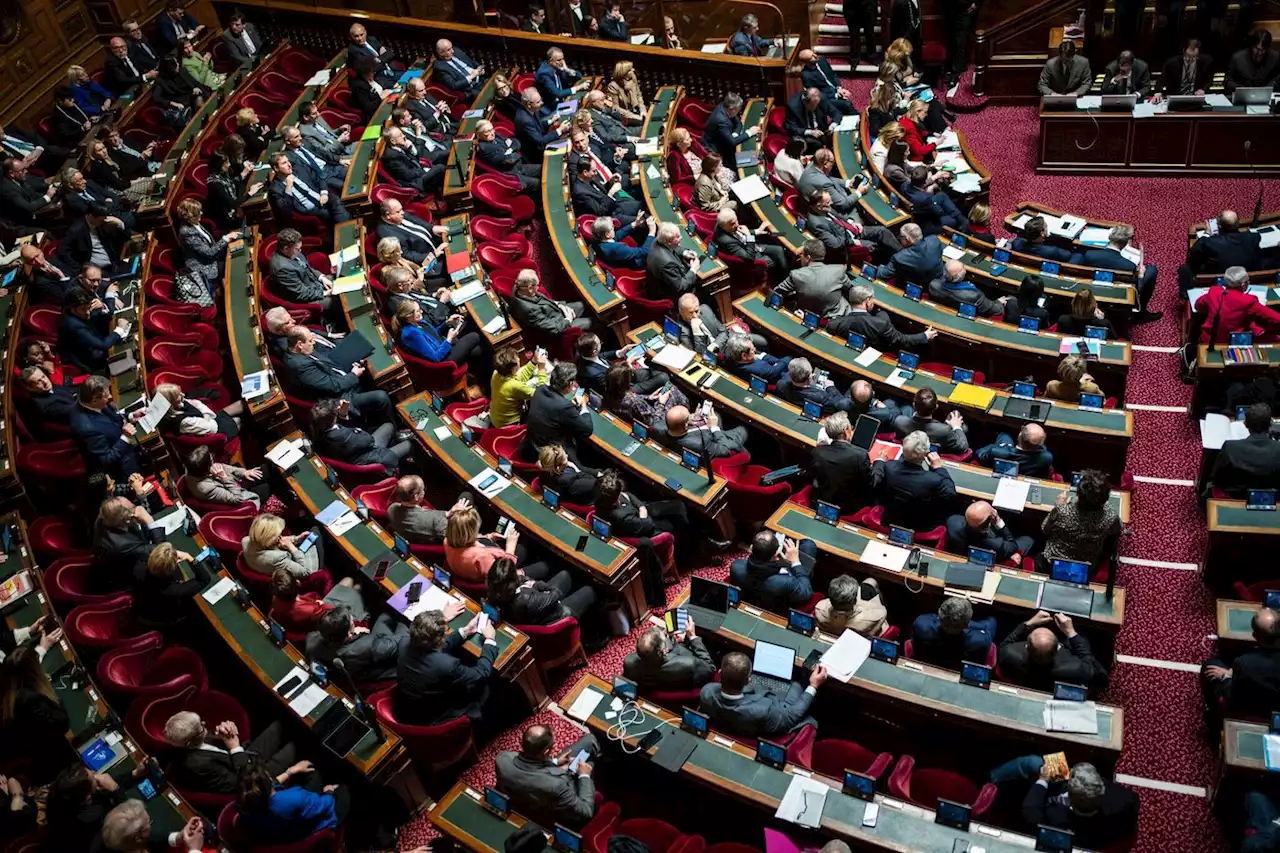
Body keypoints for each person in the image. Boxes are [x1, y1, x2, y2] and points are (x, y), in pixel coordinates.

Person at [396, 604, 499, 726]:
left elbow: (429, 649)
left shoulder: (404, 642)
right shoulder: (447, 665)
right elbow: (481, 673)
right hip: (437, 714)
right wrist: (490, 640)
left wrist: (465, 631)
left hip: (413, 704)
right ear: (439, 640)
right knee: (491, 685)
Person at [164, 710, 303, 798]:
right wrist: (235, 747)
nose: (205, 724)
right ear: (190, 742)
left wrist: (225, 734)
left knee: (281, 723)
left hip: (244, 756)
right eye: (202, 726)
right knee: (296, 746)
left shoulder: (190, 739)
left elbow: (215, 743)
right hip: (254, 777)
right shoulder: (200, 766)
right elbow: (244, 783)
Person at [699, 650, 827, 739]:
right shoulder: (763, 710)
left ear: (720, 673)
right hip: (774, 717)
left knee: (796, 684)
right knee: (799, 684)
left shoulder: (706, 692)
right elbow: (790, 718)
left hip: (737, 721)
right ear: (749, 680)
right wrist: (813, 686)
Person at [496, 725, 600, 827]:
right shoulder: (558, 785)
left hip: (539, 787)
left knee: (590, 740)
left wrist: (554, 762)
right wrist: (584, 775)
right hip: (554, 808)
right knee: (589, 762)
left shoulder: (503, 759)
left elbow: (529, 764)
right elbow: (586, 811)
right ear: (546, 752)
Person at [0, 643, 74, 782]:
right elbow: (63, 723)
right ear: (34, 671)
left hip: (25, 755)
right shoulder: (31, 701)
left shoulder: (7, 692)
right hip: (48, 764)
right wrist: (48, 692)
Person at [234, 759, 348, 846]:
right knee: (344, 791)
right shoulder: (295, 798)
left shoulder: (243, 803)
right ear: (269, 779)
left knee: (314, 774)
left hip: (278, 830)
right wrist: (329, 791)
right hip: (309, 828)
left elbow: (266, 787)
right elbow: (327, 805)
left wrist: (292, 770)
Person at [998, 611, 1109, 693]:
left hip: (1028, 680)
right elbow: (1088, 659)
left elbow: (1004, 644)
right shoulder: (1076, 670)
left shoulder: (1009, 655)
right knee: (1084, 636)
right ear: (1058, 648)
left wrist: (1029, 624)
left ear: (1026, 647)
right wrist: (1071, 632)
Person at [1072, 223, 1161, 322]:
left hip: (1090, 291)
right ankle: (1141, 313)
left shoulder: (1089, 255)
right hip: (1115, 295)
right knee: (1152, 270)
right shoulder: (1129, 266)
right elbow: (1136, 290)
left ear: (1110, 238)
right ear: (1125, 243)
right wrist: (1140, 275)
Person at [1203, 606, 1280, 719]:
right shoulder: (1246, 664)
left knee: (1210, 666)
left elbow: (1233, 695)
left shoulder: (1245, 664)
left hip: (1257, 710)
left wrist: (1226, 676)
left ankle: (1213, 717)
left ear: (1255, 636)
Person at [1039, 468, 1121, 571]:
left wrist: (1059, 504)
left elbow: (1044, 529)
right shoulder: (1111, 516)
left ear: (1078, 493)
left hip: (1054, 562)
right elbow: (1117, 530)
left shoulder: (1061, 511)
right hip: (1086, 566)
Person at [307, 606, 408, 686]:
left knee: (384, 616)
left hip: (359, 657)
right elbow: (399, 642)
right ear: (349, 631)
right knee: (403, 625)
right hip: (378, 667)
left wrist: (355, 636)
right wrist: (404, 620)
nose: (353, 620)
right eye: (352, 622)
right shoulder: (368, 645)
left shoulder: (311, 640)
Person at [312, 395, 412, 475]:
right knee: (410, 444)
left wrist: (343, 416)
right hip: (369, 458)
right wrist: (346, 418)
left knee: (389, 426)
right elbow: (369, 440)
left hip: (353, 453)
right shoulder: (345, 437)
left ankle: (396, 440)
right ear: (333, 417)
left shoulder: (317, 429)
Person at [881, 430, 957, 530]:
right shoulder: (933, 479)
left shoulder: (889, 466)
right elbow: (950, 493)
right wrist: (939, 468)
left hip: (890, 520)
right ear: (925, 454)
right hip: (919, 527)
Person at [805, 412, 882, 511]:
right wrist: (879, 461)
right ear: (846, 431)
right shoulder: (860, 456)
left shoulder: (817, 451)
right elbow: (872, 483)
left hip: (820, 501)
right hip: (848, 508)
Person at [445, 505, 541, 584]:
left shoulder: (448, 540)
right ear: (470, 533)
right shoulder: (482, 558)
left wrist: (488, 537)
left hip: (472, 567)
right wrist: (510, 547)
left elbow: (473, 541)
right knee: (545, 566)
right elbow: (503, 575)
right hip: (503, 575)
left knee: (524, 547)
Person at [486, 557, 597, 626]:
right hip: (554, 616)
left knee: (565, 574)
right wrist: (542, 588)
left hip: (536, 606)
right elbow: (556, 594)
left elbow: (525, 580)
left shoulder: (496, 591)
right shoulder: (525, 599)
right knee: (590, 590)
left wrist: (535, 584)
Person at [70, 375, 141, 480]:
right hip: (119, 466)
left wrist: (130, 416)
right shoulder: (86, 428)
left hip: (124, 446)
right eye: (107, 395)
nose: (110, 397)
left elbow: (113, 418)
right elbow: (106, 459)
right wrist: (125, 437)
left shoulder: (90, 402)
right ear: (94, 400)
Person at [521, 362, 593, 463]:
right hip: (550, 456)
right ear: (570, 383)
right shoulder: (564, 407)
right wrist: (584, 406)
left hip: (531, 446)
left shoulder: (540, 389)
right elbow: (588, 429)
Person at [829, 282, 936, 350]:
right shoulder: (881, 324)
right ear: (868, 301)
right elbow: (901, 340)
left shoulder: (835, 323)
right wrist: (925, 335)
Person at [729, 530, 817, 612]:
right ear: (775, 555)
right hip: (778, 602)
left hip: (757, 592)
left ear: (751, 548)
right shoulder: (787, 582)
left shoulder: (736, 566)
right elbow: (806, 594)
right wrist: (795, 562)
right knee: (809, 545)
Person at [268, 228, 342, 323]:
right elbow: (301, 294)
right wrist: (324, 293)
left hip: (313, 283)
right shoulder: (282, 268)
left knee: (340, 279)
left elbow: (307, 267)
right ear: (286, 248)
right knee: (338, 302)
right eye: (297, 249)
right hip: (306, 298)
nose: (300, 251)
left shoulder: (293, 252)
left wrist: (322, 278)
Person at [243, 512, 328, 593]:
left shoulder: (246, 540)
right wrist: (292, 547)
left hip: (273, 565)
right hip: (306, 570)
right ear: (268, 538)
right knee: (316, 530)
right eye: (277, 535)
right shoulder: (277, 558)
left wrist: (296, 538)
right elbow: (305, 572)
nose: (280, 537)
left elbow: (277, 541)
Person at [1208, 402, 1280, 496]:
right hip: (1273, 497)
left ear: (1245, 424)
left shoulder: (1230, 447)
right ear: (1270, 424)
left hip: (1235, 496)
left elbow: (1217, 478)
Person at [1196, 265, 1280, 344]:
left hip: (1208, 339)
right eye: (1248, 281)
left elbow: (1198, 305)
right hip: (1234, 341)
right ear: (1243, 285)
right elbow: (1275, 318)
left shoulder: (1214, 292)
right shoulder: (1248, 300)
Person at [132, 542, 210, 627]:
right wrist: (190, 558)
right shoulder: (174, 590)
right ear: (173, 567)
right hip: (161, 618)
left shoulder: (138, 566)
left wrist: (166, 555)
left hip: (142, 606)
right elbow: (204, 579)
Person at [595, 468, 690, 538]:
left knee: (678, 505)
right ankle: (685, 538)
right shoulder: (621, 517)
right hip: (645, 527)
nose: (622, 492)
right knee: (673, 522)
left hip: (641, 510)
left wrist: (641, 507)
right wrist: (643, 514)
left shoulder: (604, 496)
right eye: (620, 492)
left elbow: (628, 495)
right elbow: (647, 525)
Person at [624, 620, 716, 691]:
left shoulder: (629, 662)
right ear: (665, 650)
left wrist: (671, 638)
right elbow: (710, 669)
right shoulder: (689, 663)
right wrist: (692, 637)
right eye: (664, 636)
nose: (665, 634)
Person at [507, 268, 595, 340]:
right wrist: (568, 319)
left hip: (554, 311)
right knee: (592, 322)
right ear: (530, 288)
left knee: (583, 305)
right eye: (536, 286)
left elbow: (542, 300)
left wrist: (559, 304)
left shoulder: (519, 288)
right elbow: (554, 329)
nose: (537, 289)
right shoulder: (529, 310)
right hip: (559, 326)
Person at [266, 151, 351, 225]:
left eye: (288, 161)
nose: (289, 165)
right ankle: (345, 229)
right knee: (335, 212)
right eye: (284, 163)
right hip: (310, 210)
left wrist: (324, 193)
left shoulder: (298, 169)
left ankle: (344, 228)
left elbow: (319, 178)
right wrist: (288, 188)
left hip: (321, 197)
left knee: (336, 200)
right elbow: (285, 210)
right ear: (276, 168)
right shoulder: (275, 189)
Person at [910, 597, 998, 667]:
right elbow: (990, 626)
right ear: (967, 624)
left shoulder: (921, 626)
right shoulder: (980, 641)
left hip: (929, 662)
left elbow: (931, 617)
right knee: (992, 620)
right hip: (959, 670)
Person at [393, 300, 482, 370]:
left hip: (443, 346)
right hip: (444, 361)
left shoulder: (418, 322)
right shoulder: (411, 334)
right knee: (474, 336)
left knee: (477, 351)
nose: (422, 311)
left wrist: (447, 323)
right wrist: (449, 339)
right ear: (409, 317)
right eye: (418, 311)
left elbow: (432, 335)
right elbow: (436, 357)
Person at [774, 239, 851, 318]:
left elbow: (777, 292)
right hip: (840, 316)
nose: (800, 257)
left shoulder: (797, 275)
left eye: (802, 254)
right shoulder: (838, 270)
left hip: (808, 318)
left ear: (808, 257)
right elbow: (851, 290)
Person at [96, 799, 205, 853]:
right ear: (137, 838)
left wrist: (179, 836)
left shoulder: (128, 842)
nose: (151, 826)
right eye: (149, 824)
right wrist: (194, 849)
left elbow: (153, 839)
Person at [174, 197, 236, 292]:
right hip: (204, 267)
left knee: (234, 251)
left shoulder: (194, 223)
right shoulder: (187, 232)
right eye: (198, 212)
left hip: (211, 258)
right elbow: (209, 253)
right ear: (191, 216)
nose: (201, 213)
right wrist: (225, 238)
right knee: (233, 265)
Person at [946, 499, 1033, 564]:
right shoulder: (996, 544)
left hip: (963, 551)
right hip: (990, 558)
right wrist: (999, 522)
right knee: (1028, 539)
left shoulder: (952, 521)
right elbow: (1013, 546)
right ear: (990, 522)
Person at [1186, 210, 1263, 283]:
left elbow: (1192, 255)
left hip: (1217, 273)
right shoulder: (1254, 237)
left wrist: (1206, 234)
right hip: (1244, 271)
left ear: (1219, 226)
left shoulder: (1210, 242)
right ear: (1238, 223)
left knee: (1185, 269)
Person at [387, 476, 466, 544]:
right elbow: (457, 539)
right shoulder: (436, 520)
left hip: (414, 539)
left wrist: (448, 513)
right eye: (423, 489)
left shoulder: (391, 509)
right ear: (416, 497)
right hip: (438, 543)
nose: (424, 491)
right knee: (466, 495)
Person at [183, 445, 265, 508]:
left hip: (232, 483)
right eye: (211, 459)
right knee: (266, 486)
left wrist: (244, 472)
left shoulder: (194, 469)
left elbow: (223, 467)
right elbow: (238, 499)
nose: (213, 457)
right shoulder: (205, 488)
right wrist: (224, 477)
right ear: (207, 467)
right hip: (238, 494)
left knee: (265, 470)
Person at [714, 208, 788, 277]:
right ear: (723, 226)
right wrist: (749, 235)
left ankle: (786, 273)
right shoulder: (727, 241)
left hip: (751, 246)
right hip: (752, 258)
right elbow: (749, 257)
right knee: (776, 259)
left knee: (779, 249)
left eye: (736, 220)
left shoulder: (725, 225)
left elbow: (741, 232)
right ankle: (783, 279)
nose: (737, 224)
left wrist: (758, 231)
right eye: (733, 223)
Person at [491, 344, 551, 428]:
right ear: (513, 369)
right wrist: (541, 368)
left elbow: (519, 378)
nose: (519, 359)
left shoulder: (496, 373)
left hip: (496, 418)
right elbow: (542, 395)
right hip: (508, 424)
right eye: (517, 360)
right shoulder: (515, 386)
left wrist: (534, 361)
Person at [893, 387, 968, 454]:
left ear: (913, 405)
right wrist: (956, 427)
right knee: (963, 426)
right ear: (936, 407)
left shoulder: (899, 421)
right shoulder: (944, 430)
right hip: (936, 453)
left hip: (910, 452)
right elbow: (963, 447)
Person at [663, 403, 749, 460]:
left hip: (702, 432)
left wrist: (693, 418)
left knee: (716, 414)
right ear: (685, 425)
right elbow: (725, 450)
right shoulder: (700, 444)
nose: (691, 416)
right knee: (743, 429)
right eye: (689, 416)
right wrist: (714, 427)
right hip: (720, 441)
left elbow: (679, 425)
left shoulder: (660, 427)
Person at [475, 119, 540, 192]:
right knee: (539, 183)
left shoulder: (496, 136)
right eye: (487, 131)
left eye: (492, 129)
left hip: (519, 167)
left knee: (543, 168)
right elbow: (510, 160)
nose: (492, 133)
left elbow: (516, 142)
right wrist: (510, 150)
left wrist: (510, 150)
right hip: (513, 175)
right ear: (479, 134)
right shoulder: (485, 148)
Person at [381, 126, 445, 198]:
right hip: (415, 183)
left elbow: (415, 160)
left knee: (441, 169)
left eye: (402, 133)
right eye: (400, 135)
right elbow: (408, 175)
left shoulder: (399, 147)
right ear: (393, 141)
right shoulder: (391, 157)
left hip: (418, 174)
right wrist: (423, 170)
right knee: (440, 168)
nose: (404, 136)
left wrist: (410, 148)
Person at [815, 574, 888, 636]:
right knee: (871, 581)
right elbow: (883, 611)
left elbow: (825, 603)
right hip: (860, 628)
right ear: (855, 601)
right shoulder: (869, 619)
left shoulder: (819, 610)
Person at [929, 258, 1007, 316]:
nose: (965, 270)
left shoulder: (933, 285)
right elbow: (996, 310)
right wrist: (999, 302)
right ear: (961, 275)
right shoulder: (974, 295)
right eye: (963, 269)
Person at [875, 223, 945, 287]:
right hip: (939, 277)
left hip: (918, 285)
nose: (899, 238)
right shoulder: (934, 240)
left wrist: (879, 267)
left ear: (907, 239)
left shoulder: (900, 258)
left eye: (901, 236)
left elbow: (883, 274)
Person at [702, 93, 760, 167]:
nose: (738, 111)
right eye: (738, 109)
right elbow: (732, 142)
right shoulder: (720, 120)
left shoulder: (725, 107)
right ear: (731, 109)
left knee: (753, 156)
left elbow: (738, 123)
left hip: (724, 141)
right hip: (717, 150)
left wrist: (735, 134)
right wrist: (749, 133)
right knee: (750, 161)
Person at [975, 423, 1054, 478]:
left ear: (1020, 435)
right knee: (1005, 436)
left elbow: (979, 454)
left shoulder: (997, 452)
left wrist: (994, 446)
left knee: (1004, 436)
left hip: (1001, 471)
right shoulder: (1046, 458)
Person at [777, 357, 851, 414]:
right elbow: (841, 404)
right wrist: (831, 387)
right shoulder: (821, 397)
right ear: (809, 378)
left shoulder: (780, 385)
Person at [646, 222, 700, 300]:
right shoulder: (667, 263)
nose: (681, 237)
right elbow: (680, 287)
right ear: (669, 241)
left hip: (664, 282)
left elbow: (673, 247)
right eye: (677, 237)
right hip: (670, 295)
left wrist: (685, 253)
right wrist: (693, 269)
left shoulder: (658, 241)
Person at [152, 55, 208, 128]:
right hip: (180, 104)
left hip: (190, 96)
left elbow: (195, 82)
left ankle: (206, 120)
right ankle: (200, 125)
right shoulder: (160, 81)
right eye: (175, 64)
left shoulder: (182, 71)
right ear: (170, 68)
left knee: (200, 97)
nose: (178, 64)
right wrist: (173, 104)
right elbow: (156, 98)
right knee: (198, 101)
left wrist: (195, 88)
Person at [17, 365, 76, 432]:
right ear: (30, 388)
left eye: (43, 376)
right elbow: (73, 411)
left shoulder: (48, 387)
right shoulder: (43, 404)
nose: (44, 381)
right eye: (38, 381)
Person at [513, 88, 567, 161]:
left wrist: (550, 121)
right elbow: (540, 141)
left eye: (540, 100)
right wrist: (559, 130)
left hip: (541, 140)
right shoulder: (525, 120)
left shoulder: (532, 109)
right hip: (536, 153)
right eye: (538, 102)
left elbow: (537, 124)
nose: (542, 103)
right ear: (529, 104)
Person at [797, 49, 856, 114]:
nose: (815, 56)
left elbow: (832, 75)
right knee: (847, 105)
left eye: (813, 53)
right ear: (806, 62)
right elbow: (816, 94)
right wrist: (836, 95)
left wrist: (839, 88)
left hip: (835, 90)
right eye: (812, 57)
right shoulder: (806, 75)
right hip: (827, 98)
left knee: (846, 106)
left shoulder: (822, 60)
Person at [784, 87, 838, 153]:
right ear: (804, 101)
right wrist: (810, 132)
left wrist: (832, 126)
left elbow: (836, 113)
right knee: (817, 145)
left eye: (817, 105)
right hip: (804, 134)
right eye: (813, 106)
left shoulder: (821, 98)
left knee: (837, 137)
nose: (815, 107)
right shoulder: (792, 106)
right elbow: (791, 128)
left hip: (822, 130)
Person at [1227, 29, 1280, 93]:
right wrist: (1240, 89)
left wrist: (1271, 86)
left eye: (1263, 50)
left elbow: (1278, 77)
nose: (1259, 53)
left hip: (1267, 95)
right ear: (1251, 46)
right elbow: (1228, 80)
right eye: (1257, 49)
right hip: (1242, 94)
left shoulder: (1275, 57)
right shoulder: (1237, 58)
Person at [724, 334, 791, 385]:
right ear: (744, 356)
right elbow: (775, 371)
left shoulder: (728, 353)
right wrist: (789, 358)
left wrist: (762, 356)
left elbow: (759, 354)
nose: (755, 349)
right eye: (752, 350)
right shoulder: (760, 369)